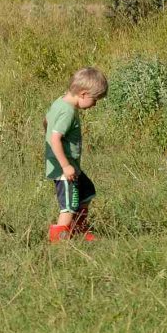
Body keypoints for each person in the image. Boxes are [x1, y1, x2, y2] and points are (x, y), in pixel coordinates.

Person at [44, 67, 108, 242]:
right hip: (64, 169)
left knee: (87, 191)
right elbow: (55, 138)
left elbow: (47, 120)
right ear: (83, 94)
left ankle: (78, 227)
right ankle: (59, 243)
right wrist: (65, 165)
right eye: (95, 100)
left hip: (71, 165)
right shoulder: (68, 111)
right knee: (69, 206)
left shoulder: (60, 102)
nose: (95, 104)